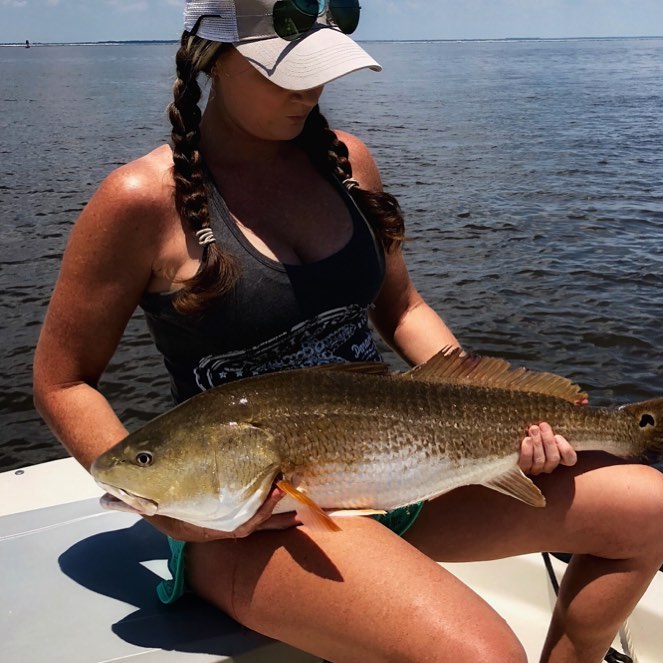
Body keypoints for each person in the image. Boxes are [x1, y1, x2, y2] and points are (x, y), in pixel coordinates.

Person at [33, 2, 663, 662]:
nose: (309, 88)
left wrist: (491, 405)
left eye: (319, 68)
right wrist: (166, 511)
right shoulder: (138, 199)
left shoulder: (346, 161)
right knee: (483, 655)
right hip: (257, 517)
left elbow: (402, 308)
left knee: (650, 508)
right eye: (283, 72)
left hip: (409, 466)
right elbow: (61, 378)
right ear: (208, 56)